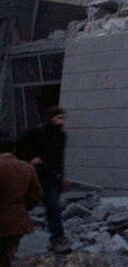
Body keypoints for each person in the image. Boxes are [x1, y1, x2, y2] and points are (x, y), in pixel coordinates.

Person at [17, 107, 69, 253]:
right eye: (59, 118)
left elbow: (59, 159)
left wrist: (61, 177)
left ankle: (55, 238)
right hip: (38, 175)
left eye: (63, 118)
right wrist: (30, 160)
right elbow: (20, 146)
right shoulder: (38, 132)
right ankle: (56, 238)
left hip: (52, 176)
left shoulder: (61, 136)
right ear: (51, 118)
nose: (62, 121)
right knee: (50, 205)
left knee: (53, 207)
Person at [0, 140, 44, 267]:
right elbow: (37, 194)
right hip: (17, 221)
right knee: (7, 255)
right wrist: (23, 207)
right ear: (13, 150)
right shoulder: (26, 167)